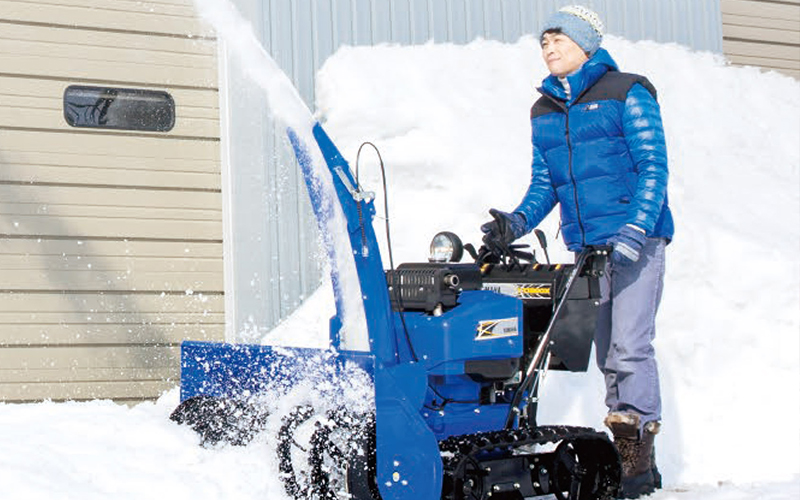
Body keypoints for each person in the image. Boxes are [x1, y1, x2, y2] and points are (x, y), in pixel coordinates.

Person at [480, 5, 673, 499]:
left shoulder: (626, 91)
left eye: (557, 40)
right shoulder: (544, 111)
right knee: (602, 351)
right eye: (543, 43)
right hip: (587, 248)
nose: (548, 49)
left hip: (638, 240)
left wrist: (634, 229)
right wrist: (515, 222)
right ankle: (626, 449)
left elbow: (653, 166)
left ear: (585, 45)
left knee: (628, 345)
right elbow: (545, 184)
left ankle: (636, 455)